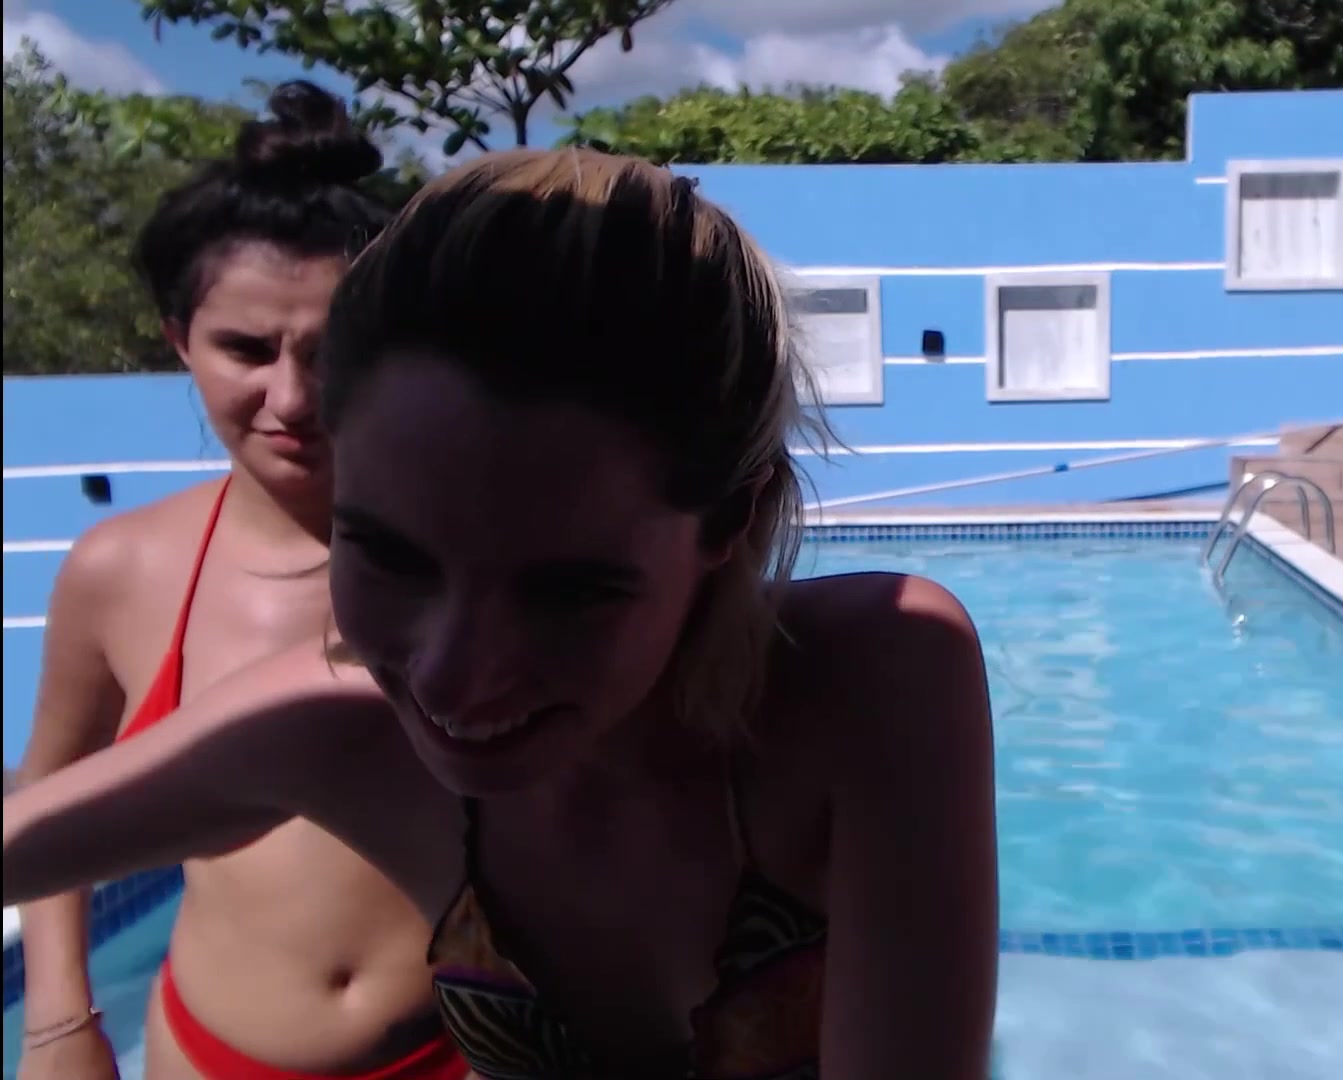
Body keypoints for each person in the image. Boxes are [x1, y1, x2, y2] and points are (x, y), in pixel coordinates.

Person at [4, 147, 1001, 1079]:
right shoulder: (336, 732)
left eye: (569, 591)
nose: (451, 677)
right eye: (388, 555)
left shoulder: (871, 683)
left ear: (729, 521)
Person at [11, 82, 465, 1080]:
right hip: (210, 1055)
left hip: (465, 1050)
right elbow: (53, 791)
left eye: (332, 352)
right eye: (247, 350)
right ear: (180, 340)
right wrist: (55, 1020)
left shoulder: (481, 561)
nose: (291, 398)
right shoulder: (125, 571)